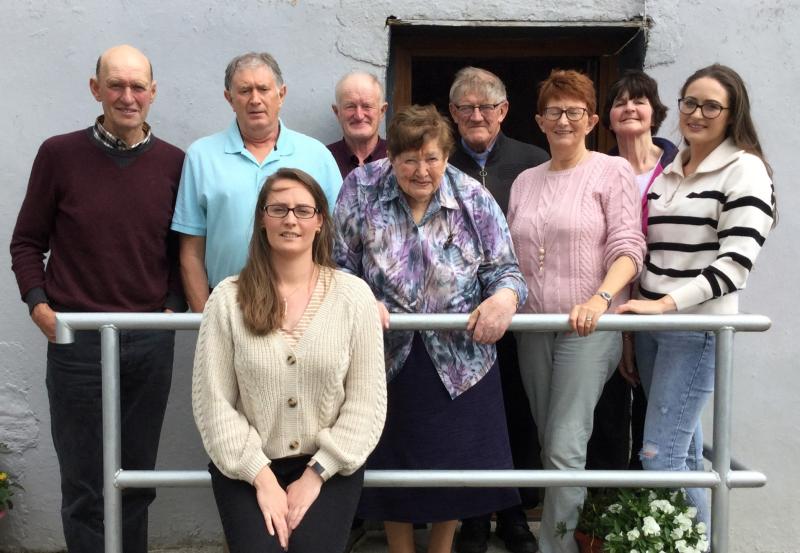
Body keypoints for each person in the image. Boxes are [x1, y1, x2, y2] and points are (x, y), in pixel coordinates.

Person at [9, 45, 185, 552]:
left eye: (137, 87)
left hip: (149, 342)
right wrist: (39, 304)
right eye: (116, 85)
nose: (127, 97)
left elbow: (181, 248)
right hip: (77, 342)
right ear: (96, 89)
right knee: (85, 483)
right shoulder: (58, 155)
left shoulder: (175, 162)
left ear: (153, 93)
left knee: (135, 481)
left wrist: (171, 307)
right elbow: (26, 241)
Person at [334, 104, 527, 553]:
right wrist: (362, 298)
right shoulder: (360, 188)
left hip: (460, 361)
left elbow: (507, 271)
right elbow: (337, 266)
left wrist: (503, 299)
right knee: (391, 469)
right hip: (383, 354)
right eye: (409, 160)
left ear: (446, 155)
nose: (422, 171)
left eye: (433, 159)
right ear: (392, 156)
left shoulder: (473, 198)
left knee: (452, 472)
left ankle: (441, 549)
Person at [192, 168, 386, 553]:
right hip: (247, 465)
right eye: (278, 209)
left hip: (329, 467)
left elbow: (366, 403)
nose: (290, 220)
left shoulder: (354, 297)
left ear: (320, 222)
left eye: (302, 210)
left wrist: (315, 474)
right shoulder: (227, 300)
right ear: (262, 220)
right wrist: (261, 478)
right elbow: (213, 403)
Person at [616, 64, 775, 530]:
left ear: (732, 114)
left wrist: (664, 305)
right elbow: (649, 254)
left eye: (711, 106)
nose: (697, 113)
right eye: (689, 102)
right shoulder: (670, 172)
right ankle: (695, 542)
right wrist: (634, 329)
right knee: (682, 457)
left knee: (659, 458)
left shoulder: (744, 169)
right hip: (651, 329)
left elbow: (735, 265)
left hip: (694, 328)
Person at [507, 69, 646, 553]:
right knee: (552, 444)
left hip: (588, 328)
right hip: (534, 327)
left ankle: (556, 549)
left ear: (591, 120)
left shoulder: (611, 171)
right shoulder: (525, 181)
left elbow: (630, 246)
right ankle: (567, 537)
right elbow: (510, 256)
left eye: (574, 112)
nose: (563, 120)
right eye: (553, 111)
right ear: (539, 121)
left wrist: (600, 299)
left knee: (565, 446)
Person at [447, 66, 547, 553]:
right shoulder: (437, 161)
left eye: (487, 106)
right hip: (458, 325)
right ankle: (471, 519)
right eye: (465, 107)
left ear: (504, 111)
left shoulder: (533, 161)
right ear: (452, 113)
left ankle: (515, 516)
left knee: (517, 414)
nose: (476, 115)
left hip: (518, 314)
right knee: (470, 419)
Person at [172, 51, 342, 313]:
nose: (255, 100)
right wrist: (205, 319)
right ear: (229, 98)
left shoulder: (317, 155)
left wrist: (328, 310)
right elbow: (191, 252)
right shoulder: (201, 156)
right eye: (244, 91)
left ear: (281, 94)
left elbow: (338, 241)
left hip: (305, 307)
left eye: (263, 89)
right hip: (229, 306)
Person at [599, 70, 680, 470]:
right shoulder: (597, 172)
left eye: (639, 100)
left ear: (655, 112)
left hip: (667, 307)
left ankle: (653, 517)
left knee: (659, 420)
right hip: (614, 308)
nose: (629, 108)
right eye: (619, 102)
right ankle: (605, 519)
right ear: (608, 117)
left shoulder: (682, 168)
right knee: (610, 419)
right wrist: (623, 328)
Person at [327, 71, 388, 178]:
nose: (359, 116)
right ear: (337, 112)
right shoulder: (323, 159)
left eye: (367, 106)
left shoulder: (399, 157)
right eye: (350, 106)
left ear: (382, 111)